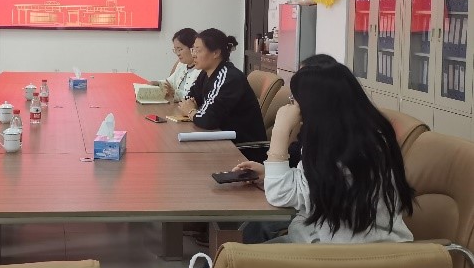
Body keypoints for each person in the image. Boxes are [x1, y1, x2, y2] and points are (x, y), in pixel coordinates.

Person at [234, 55, 415, 244]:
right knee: (252, 232)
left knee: (238, 255)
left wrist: (280, 130)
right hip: (345, 239)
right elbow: (316, 185)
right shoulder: (358, 134)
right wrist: (269, 174)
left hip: (341, 249)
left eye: (295, 100)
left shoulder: (343, 146)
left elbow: (280, 194)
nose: (293, 107)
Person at [178, 28, 265, 144]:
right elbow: (188, 99)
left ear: (216, 53)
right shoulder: (205, 73)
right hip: (219, 136)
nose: (193, 55)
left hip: (240, 145)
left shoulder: (228, 78)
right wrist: (193, 109)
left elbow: (208, 119)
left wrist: (191, 112)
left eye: (198, 51)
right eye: (193, 50)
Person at [151, 28, 201, 102]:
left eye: (180, 49)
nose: (177, 53)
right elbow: (170, 82)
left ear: (192, 48)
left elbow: (195, 97)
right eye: (175, 50)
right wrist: (156, 83)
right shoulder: (181, 64)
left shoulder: (201, 70)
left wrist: (174, 93)